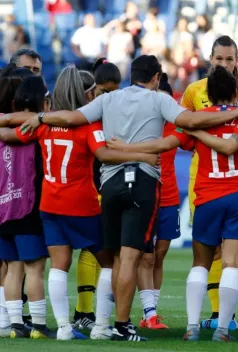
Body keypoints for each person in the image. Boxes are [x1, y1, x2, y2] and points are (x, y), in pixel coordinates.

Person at [19, 54, 238, 342]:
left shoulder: (108, 100)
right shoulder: (159, 99)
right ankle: (120, 325)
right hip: (142, 182)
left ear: (131, 75)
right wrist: (235, 112)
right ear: (156, 78)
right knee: (130, 257)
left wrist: (41, 116)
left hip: (109, 183)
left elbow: (72, 116)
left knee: (114, 258)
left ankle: (102, 326)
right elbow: (191, 120)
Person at [180, 35, 238, 328]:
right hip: (219, 184)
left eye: (229, 59)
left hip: (213, 187)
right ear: (210, 60)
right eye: (220, 59)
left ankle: (207, 321)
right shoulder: (193, 91)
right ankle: (221, 319)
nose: (225, 64)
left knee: (208, 258)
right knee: (225, 257)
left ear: (237, 62)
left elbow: (184, 129)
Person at [0, 76, 54, 339]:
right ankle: (39, 327)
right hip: (29, 207)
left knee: (13, 268)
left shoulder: (5, 127)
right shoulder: (40, 129)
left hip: (3, 208)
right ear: (42, 101)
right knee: (34, 268)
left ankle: (14, 326)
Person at [71, 58, 122, 331]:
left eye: (115, 91)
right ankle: (86, 310)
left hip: (107, 186)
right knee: (94, 249)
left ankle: (86, 311)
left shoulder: (114, 112)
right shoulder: (87, 116)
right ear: (93, 90)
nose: (110, 97)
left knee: (100, 251)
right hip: (91, 187)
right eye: (104, 91)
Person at [136, 73, 178, 330]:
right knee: (146, 258)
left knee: (159, 256)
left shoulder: (175, 125)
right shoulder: (141, 123)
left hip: (170, 196)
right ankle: (148, 313)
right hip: (145, 193)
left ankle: (153, 311)